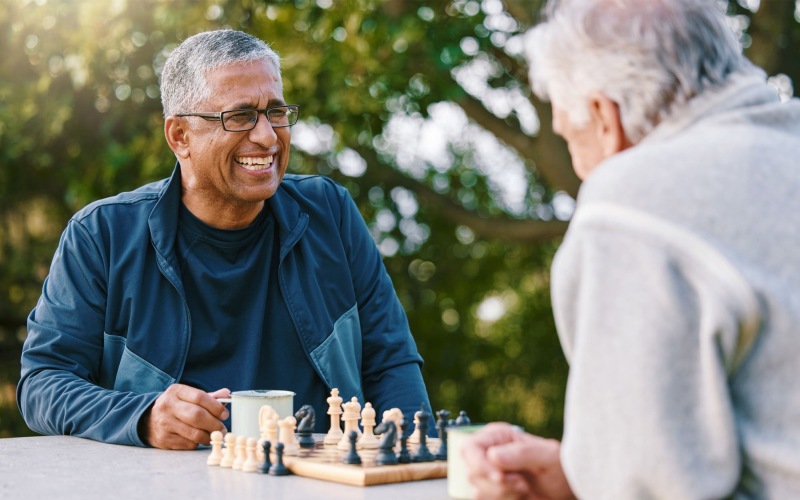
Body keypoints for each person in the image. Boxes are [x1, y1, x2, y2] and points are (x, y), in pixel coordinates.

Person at [17, 29, 431, 450]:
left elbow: (391, 361)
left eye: (276, 111)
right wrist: (141, 417)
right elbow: (42, 383)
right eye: (240, 116)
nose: (268, 137)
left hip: (321, 480)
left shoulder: (331, 213)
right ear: (180, 136)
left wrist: (417, 461)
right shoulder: (101, 234)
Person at [462, 0, 800, 498]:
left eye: (568, 137)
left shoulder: (630, 201)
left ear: (603, 117)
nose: (577, 167)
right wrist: (579, 473)